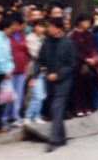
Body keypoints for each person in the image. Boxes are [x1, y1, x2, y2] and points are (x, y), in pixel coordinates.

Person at [30, 17, 77, 153]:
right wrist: (34, 75)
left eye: (50, 26)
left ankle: (53, 140)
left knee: (56, 109)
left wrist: (59, 74)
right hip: (49, 82)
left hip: (63, 82)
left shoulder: (69, 44)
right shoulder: (47, 42)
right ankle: (61, 137)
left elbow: (72, 64)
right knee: (55, 110)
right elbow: (40, 60)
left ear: (59, 29)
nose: (48, 29)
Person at [70, 14, 98, 115]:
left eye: (89, 23)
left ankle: (88, 107)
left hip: (90, 62)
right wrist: (85, 59)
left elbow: (92, 47)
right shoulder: (74, 35)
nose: (87, 24)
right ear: (80, 22)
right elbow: (75, 50)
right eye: (85, 22)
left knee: (88, 86)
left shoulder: (89, 34)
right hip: (79, 63)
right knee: (79, 86)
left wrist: (93, 58)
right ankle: (78, 108)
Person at [4, 14, 28, 128]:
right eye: (13, 25)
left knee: (19, 95)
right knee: (8, 94)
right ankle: (5, 117)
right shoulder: (8, 37)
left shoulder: (23, 36)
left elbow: (25, 53)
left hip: (21, 69)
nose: (15, 27)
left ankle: (16, 116)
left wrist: (26, 69)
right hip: (11, 70)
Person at [24, 20, 47, 124]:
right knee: (36, 95)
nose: (42, 29)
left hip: (44, 70)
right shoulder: (30, 38)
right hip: (34, 69)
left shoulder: (44, 38)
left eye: (43, 27)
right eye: (40, 26)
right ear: (35, 27)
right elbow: (36, 54)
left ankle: (37, 115)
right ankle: (28, 116)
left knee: (42, 95)